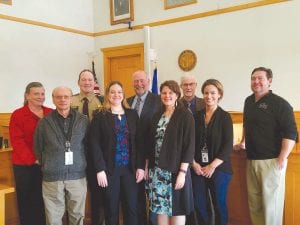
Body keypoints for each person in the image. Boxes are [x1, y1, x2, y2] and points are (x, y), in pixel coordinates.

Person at [234, 67, 297, 225]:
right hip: (251, 160)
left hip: (272, 161)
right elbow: (247, 126)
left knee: (271, 206)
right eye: (253, 78)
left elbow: (291, 133)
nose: (256, 81)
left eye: (260, 78)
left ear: (269, 81)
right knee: (254, 204)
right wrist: (243, 143)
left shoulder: (280, 104)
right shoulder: (248, 101)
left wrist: (283, 156)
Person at [88, 81, 145, 225]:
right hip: (109, 170)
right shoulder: (100, 115)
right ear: (107, 95)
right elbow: (94, 144)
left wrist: (140, 167)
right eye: (112, 92)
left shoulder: (132, 114)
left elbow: (139, 143)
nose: (116, 95)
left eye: (119, 92)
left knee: (131, 208)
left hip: (130, 170)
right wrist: (100, 169)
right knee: (111, 208)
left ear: (123, 94)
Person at [34, 86, 89, 225]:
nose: (62, 100)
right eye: (58, 97)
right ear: (53, 99)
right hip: (52, 177)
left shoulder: (83, 120)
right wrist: (49, 163)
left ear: (71, 98)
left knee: (77, 216)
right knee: (53, 218)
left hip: (77, 176)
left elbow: (88, 145)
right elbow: (38, 147)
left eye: (66, 96)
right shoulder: (44, 122)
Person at [146, 80, 195, 225]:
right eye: (164, 93)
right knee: (160, 209)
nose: (167, 96)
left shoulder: (185, 116)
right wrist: (148, 166)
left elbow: (189, 147)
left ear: (177, 95)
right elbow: (150, 143)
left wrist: (182, 173)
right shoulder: (157, 116)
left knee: (177, 208)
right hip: (158, 171)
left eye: (170, 93)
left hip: (176, 171)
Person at [9, 82, 52, 225]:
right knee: (27, 201)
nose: (40, 97)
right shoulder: (18, 115)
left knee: (44, 200)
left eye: (42, 93)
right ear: (27, 95)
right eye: (36, 94)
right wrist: (34, 160)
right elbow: (17, 142)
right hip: (25, 166)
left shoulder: (50, 113)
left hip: (47, 165)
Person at [193, 79, 233, 225]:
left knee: (219, 205)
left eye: (213, 93)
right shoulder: (196, 116)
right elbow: (189, 142)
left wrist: (212, 166)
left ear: (219, 95)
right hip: (198, 169)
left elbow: (228, 145)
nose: (209, 96)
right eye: (206, 93)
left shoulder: (225, 117)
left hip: (219, 169)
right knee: (200, 205)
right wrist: (194, 164)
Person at [127, 70, 161, 225]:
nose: (139, 84)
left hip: (153, 158)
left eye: (142, 80)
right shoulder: (126, 101)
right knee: (136, 197)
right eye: (136, 81)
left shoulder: (159, 100)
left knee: (154, 199)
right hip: (131, 158)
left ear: (148, 81)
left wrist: (147, 160)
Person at [71, 69, 105, 225]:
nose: (87, 82)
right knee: (74, 193)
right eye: (83, 80)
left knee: (98, 193)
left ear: (94, 83)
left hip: (96, 154)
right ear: (78, 82)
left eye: (90, 80)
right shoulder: (70, 101)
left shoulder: (103, 101)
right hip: (75, 153)